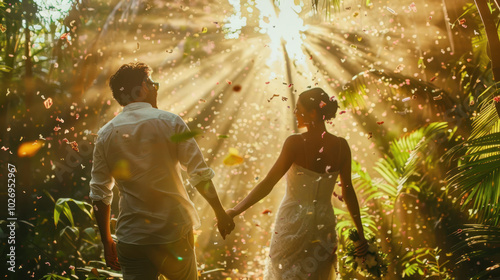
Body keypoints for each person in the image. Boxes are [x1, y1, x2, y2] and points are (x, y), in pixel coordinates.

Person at [89, 62, 235, 280]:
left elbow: (100, 193)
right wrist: (220, 212)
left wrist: (106, 240)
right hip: (172, 233)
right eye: (152, 83)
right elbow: (199, 174)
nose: (155, 87)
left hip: (132, 237)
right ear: (143, 88)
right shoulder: (170, 122)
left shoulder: (105, 134)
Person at [226, 88, 368, 279]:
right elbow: (348, 192)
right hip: (323, 225)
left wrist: (235, 210)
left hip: (291, 223)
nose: (294, 112)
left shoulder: (295, 143)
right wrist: (360, 233)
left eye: (298, 108)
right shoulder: (342, 146)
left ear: (313, 113)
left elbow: (268, 183)